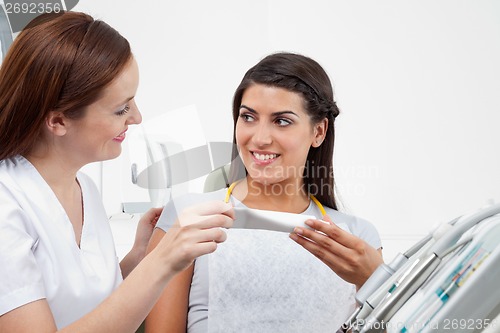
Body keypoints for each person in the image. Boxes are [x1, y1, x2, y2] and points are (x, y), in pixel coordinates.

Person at [0, 11, 234, 332]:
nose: (136, 117)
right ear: (58, 120)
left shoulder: (84, 188)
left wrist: (138, 257)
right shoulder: (7, 204)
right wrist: (162, 261)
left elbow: (89, 307)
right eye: (121, 108)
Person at [145, 52, 384, 333]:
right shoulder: (189, 216)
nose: (259, 138)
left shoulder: (356, 239)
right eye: (248, 117)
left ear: (318, 131)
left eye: (281, 121)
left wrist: (375, 280)